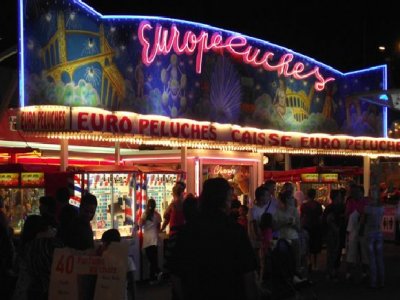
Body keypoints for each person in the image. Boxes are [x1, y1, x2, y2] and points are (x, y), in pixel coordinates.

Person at [167, 178, 258, 300]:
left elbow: (176, 273)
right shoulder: (235, 230)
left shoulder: (188, 230)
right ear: (225, 199)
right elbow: (248, 273)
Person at [99, 229, 136, 300]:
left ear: (107, 244)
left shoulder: (102, 259)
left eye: (103, 243)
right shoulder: (127, 259)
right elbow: (132, 283)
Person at [362, 186, 385, 288]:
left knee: (372, 258)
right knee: (379, 258)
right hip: (379, 232)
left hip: (370, 233)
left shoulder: (367, 208)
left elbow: (363, 221)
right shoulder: (381, 208)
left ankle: (373, 281)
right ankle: (382, 280)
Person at [140, 198, 162, 284]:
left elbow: (140, 224)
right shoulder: (157, 215)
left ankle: (153, 276)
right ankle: (156, 274)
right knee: (153, 259)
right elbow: (159, 227)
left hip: (147, 239)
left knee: (151, 259)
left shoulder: (145, 214)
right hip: (154, 239)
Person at [300, 188, 323, 271]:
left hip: (306, 226)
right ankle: (315, 264)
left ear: (307, 195)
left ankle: (309, 261)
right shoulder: (318, 205)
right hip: (316, 227)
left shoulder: (304, 205)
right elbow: (320, 217)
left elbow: (302, 217)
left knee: (307, 245)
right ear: (314, 195)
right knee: (315, 246)